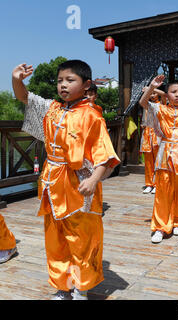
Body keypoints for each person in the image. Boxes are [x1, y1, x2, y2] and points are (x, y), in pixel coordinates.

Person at [12, 60, 120, 300]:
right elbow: (25, 98)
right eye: (60, 80)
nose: (63, 85)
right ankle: (62, 287)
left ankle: (81, 288)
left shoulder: (92, 116)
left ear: (86, 85)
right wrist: (17, 80)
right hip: (52, 182)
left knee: (82, 238)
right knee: (55, 238)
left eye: (70, 80)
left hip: (79, 185)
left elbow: (105, 155)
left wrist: (93, 180)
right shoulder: (52, 109)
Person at [139, 75, 178, 244]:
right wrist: (152, 86)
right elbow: (143, 103)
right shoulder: (161, 110)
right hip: (165, 153)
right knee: (163, 192)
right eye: (173, 92)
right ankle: (160, 227)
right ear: (167, 95)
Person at [140, 88, 166, 195]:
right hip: (147, 134)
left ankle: (157, 183)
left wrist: (152, 88)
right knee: (148, 162)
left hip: (157, 133)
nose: (152, 95)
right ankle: (149, 184)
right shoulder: (147, 104)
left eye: (154, 94)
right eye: (150, 94)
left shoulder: (162, 104)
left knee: (158, 161)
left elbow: (164, 94)